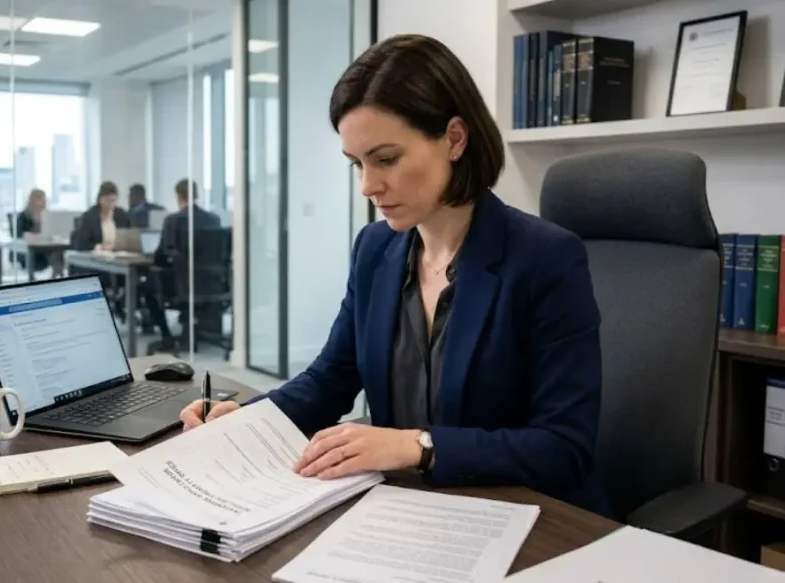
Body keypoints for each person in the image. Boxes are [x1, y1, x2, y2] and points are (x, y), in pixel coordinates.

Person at [179, 34, 608, 515]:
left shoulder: (545, 258)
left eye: (385, 159)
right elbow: (329, 381)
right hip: (405, 512)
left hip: (526, 518)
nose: (368, 185)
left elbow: (564, 447)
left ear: (454, 139)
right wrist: (244, 424)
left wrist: (417, 446)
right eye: (357, 164)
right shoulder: (376, 249)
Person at [142, 179, 222, 354]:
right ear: (196, 194)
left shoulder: (173, 220)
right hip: (212, 285)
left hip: (182, 287)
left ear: (178, 196)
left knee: (147, 287)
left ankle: (166, 335)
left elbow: (160, 258)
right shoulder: (214, 220)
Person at [13, 188, 63, 277]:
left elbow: (52, 232)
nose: (43, 201)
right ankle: (57, 277)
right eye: (40, 199)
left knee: (58, 252)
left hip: (45, 252)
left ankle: (56, 277)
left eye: (43, 199)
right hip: (28, 254)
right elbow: (20, 235)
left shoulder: (47, 215)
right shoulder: (23, 216)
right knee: (54, 255)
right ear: (33, 200)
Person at [72, 181, 131, 251]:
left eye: (113, 200)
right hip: (98, 256)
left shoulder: (121, 215)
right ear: (100, 199)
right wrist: (100, 247)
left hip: (119, 254)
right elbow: (81, 244)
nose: (111, 204)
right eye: (107, 200)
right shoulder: (89, 217)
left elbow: (130, 236)